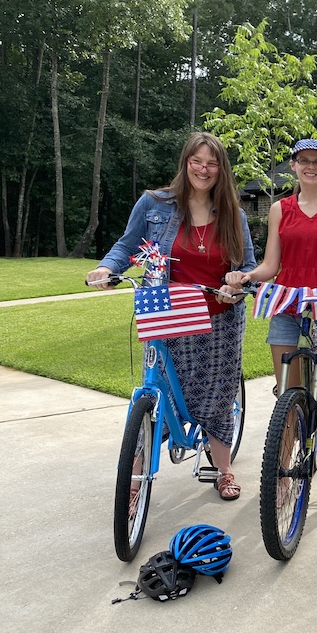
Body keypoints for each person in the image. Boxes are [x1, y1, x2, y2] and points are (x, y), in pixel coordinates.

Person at [87, 131, 256, 500]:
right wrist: (106, 269)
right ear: (185, 163)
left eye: (212, 163)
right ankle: (132, 483)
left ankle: (223, 469)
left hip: (218, 317)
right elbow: (127, 245)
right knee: (157, 389)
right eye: (197, 161)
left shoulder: (233, 214)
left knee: (216, 394)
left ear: (221, 169)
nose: (204, 169)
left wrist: (238, 284)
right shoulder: (153, 204)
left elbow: (247, 267)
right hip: (166, 313)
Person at [226, 138, 317, 509]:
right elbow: (271, 265)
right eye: (303, 160)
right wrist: (246, 276)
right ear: (293, 165)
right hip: (288, 305)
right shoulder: (280, 209)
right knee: (288, 397)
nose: (311, 167)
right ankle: (283, 474)